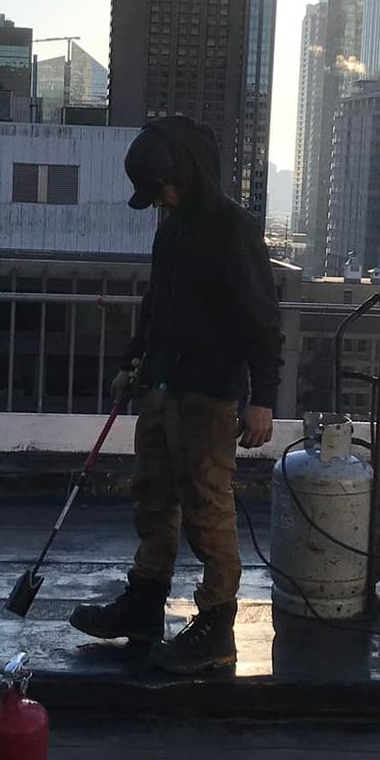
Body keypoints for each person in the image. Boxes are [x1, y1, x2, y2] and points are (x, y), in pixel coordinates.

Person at [69, 116, 283, 674]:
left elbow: (262, 320)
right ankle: (145, 602)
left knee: (208, 507)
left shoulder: (232, 228)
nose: (159, 200)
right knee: (153, 496)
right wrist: (132, 362)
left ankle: (216, 627)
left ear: (184, 173)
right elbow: (156, 303)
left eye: (162, 187)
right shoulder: (173, 226)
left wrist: (263, 399)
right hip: (162, 387)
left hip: (209, 395)